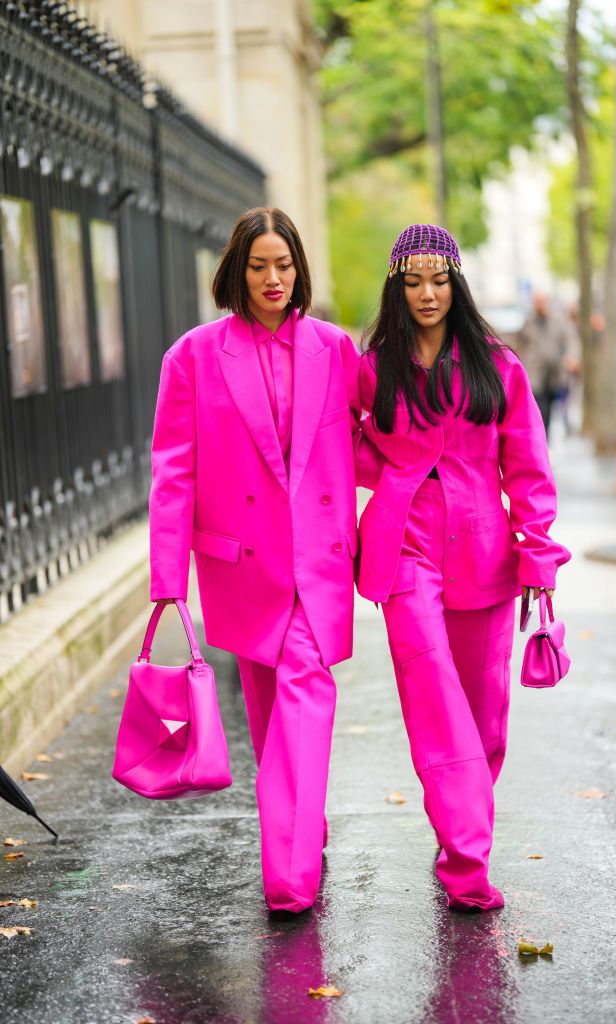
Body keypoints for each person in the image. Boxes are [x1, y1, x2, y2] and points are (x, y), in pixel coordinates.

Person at [148, 207, 371, 914]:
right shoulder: (192, 355)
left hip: (320, 559)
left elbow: (375, 438)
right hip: (240, 564)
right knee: (272, 708)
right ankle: (304, 825)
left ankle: (289, 871)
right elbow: (172, 469)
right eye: (258, 265)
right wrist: (165, 579)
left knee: (306, 690)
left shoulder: (335, 349)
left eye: (284, 264)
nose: (274, 279)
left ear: (299, 268)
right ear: (235, 272)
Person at [356, 224, 570, 912]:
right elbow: (343, 448)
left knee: (484, 724)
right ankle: (468, 865)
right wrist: (393, 470)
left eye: (438, 280)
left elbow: (528, 469)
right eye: (413, 281)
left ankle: (456, 836)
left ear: (456, 284)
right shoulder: (372, 367)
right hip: (404, 552)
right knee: (437, 708)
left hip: (484, 552)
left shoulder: (497, 366)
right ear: (396, 286)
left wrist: (537, 552)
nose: (426, 293)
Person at [514, 291, 572, 436]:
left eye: (541, 301)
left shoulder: (559, 322)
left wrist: (570, 357)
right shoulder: (528, 322)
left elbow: (570, 341)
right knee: (540, 406)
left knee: (551, 406)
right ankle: (541, 436)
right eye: (536, 301)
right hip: (535, 372)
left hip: (554, 373)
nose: (539, 305)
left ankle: (545, 435)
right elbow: (519, 343)